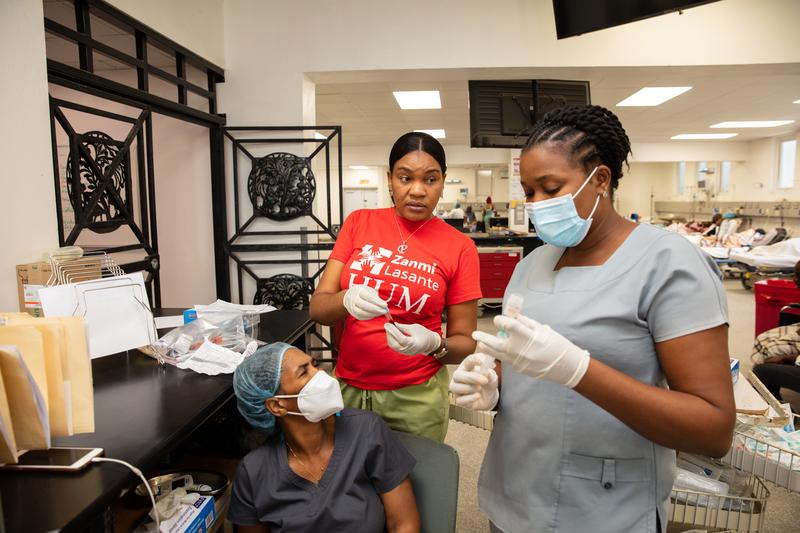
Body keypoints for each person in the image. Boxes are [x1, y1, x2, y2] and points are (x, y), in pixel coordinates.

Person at [449, 105, 735, 533]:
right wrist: (493, 383)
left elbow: (712, 430)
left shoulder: (668, 263)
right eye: (529, 192)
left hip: (605, 505)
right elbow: (527, 365)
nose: (536, 204)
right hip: (515, 492)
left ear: (600, 180)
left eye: (550, 188)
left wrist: (578, 370)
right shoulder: (532, 264)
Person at [309, 131, 481, 441]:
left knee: (416, 473)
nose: (417, 190)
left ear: (443, 181)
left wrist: (434, 344)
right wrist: (345, 299)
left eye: (430, 179)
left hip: (416, 396)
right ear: (390, 179)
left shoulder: (460, 247)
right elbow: (319, 308)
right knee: (349, 471)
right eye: (405, 178)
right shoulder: (358, 222)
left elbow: (465, 343)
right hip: (349, 388)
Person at [229, 342, 420, 533]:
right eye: (304, 373)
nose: (321, 375)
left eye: (315, 364)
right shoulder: (254, 472)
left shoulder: (366, 430)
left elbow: (404, 525)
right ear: (277, 406)